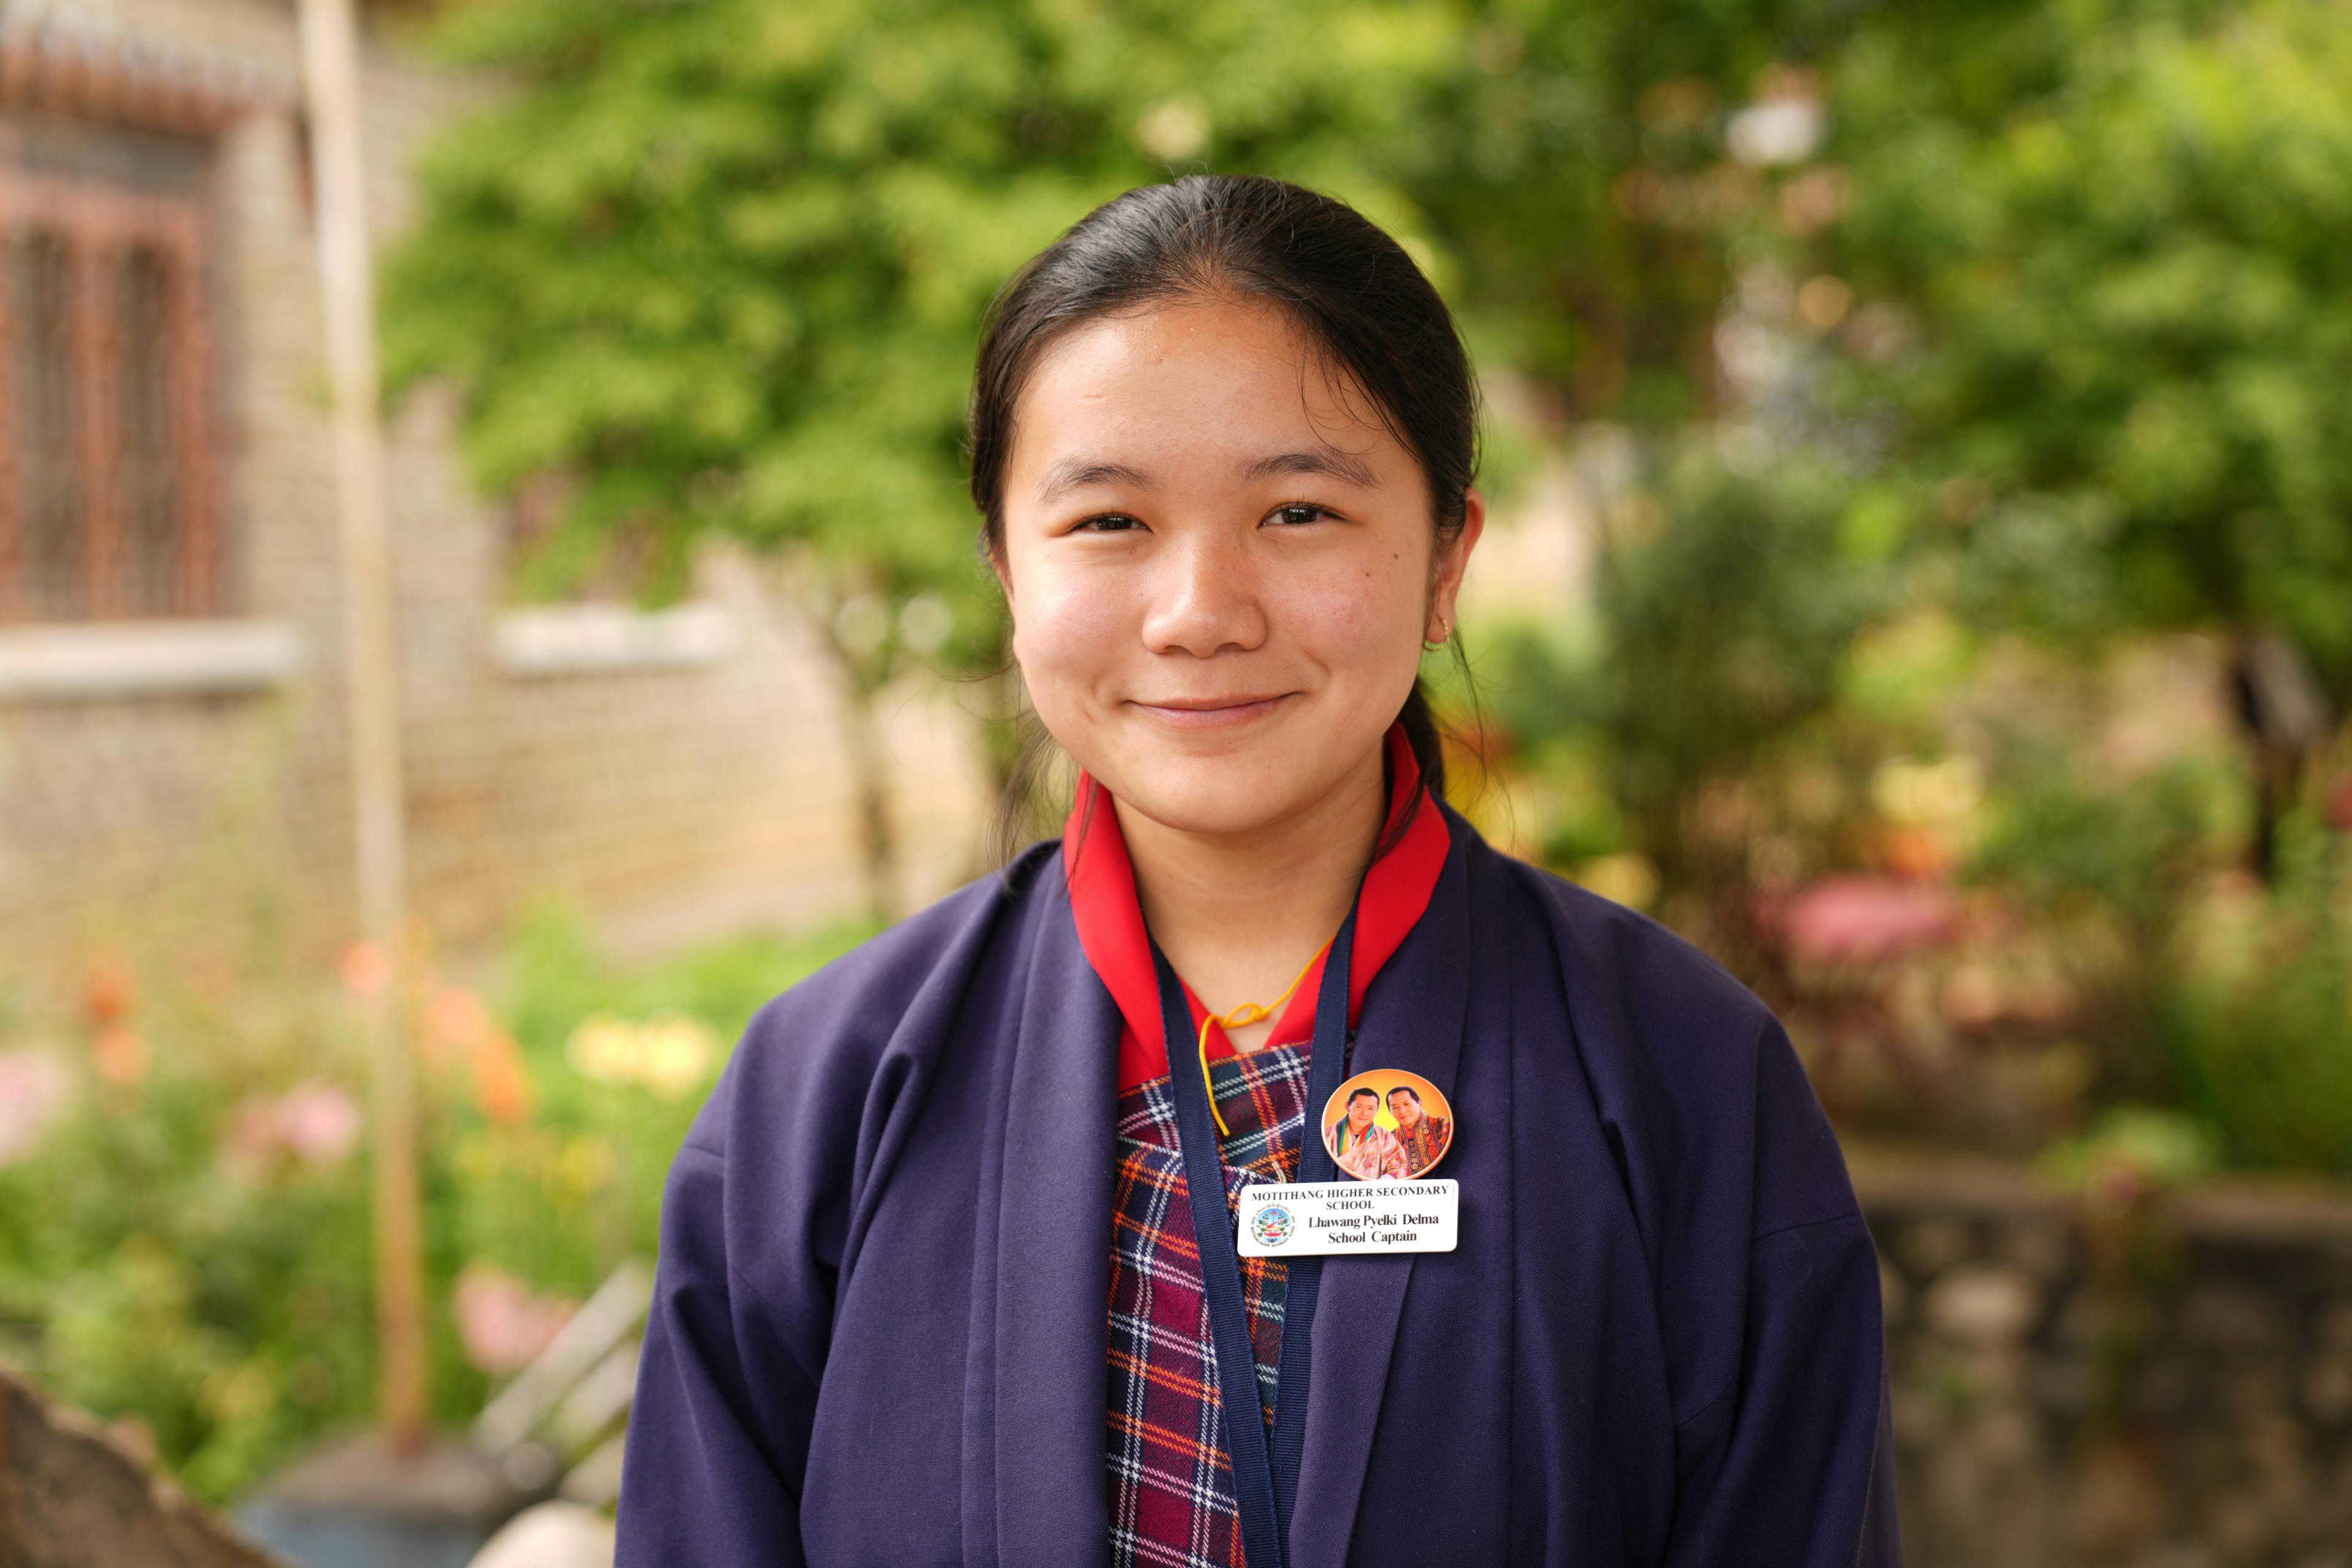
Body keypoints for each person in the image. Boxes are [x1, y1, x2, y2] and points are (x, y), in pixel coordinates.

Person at [616, 173, 1900, 1568]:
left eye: (1296, 512)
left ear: (1443, 561)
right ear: (1003, 567)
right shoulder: (821, 1094)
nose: (1199, 613)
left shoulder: (1681, 1074)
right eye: (1108, 521)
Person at [1327, 1087, 1406, 1180]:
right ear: (1348, 1106)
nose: (1364, 1113)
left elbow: (1398, 1166)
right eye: (1359, 1107)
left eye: (1371, 1108)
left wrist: (1387, 1179)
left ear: (1377, 1110)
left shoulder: (1384, 1136)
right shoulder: (1330, 1133)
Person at [1385, 1083, 1450, 1178]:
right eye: (1395, 1107)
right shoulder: (1388, 1140)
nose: (1402, 1111)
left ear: (1419, 1104)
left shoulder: (1443, 1125)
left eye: (1407, 1104)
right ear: (1390, 1112)